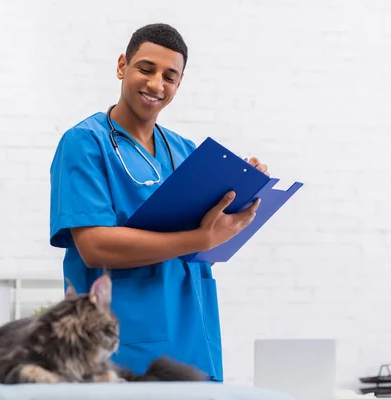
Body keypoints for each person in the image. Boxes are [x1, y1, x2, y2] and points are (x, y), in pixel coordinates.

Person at [49, 23, 268, 383]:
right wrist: (200, 239)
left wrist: (243, 193)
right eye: (146, 69)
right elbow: (94, 246)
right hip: (120, 348)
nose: (156, 85)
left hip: (193, 340)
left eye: (170, 76)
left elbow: (210, 238)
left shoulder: (185, 151)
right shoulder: (85, 144)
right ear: (122, 66)